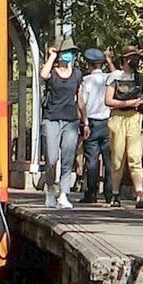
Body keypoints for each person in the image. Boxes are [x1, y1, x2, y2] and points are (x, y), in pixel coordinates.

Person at [105, 45, 143, 208]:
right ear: (125, 59)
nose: (136, 61)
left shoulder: (141, 79)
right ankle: (115, 194)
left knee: (135, 157)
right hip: (118, 118)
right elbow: (108, 101)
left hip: (135, 118)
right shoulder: (115, 77)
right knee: (118, 158)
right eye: (132, 57)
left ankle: (139, 195)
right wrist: (128, 102)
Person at [40, 37, 87, 208]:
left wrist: (85, 121)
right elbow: (43, 75)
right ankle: (51, 188)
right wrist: (51, 56)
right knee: (52, 159)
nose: (69, 56)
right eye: (66, 52)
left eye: (71, 53)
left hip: (71, 121)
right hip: (51, 119)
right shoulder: (51, 72)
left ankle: (64, 195)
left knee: (68, 159)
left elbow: (80, 99)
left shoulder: (77, 75)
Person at [79, 47, 114, 205]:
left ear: (89, 64)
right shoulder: (109, 78)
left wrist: (83, 122)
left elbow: (82, 104)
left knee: (92, 160)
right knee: (109, 160)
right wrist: (110, 61)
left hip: (91, 123)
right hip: (108, 122)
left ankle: (91, 193)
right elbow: (118, 77)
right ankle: (110, 194)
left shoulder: (85, 81)